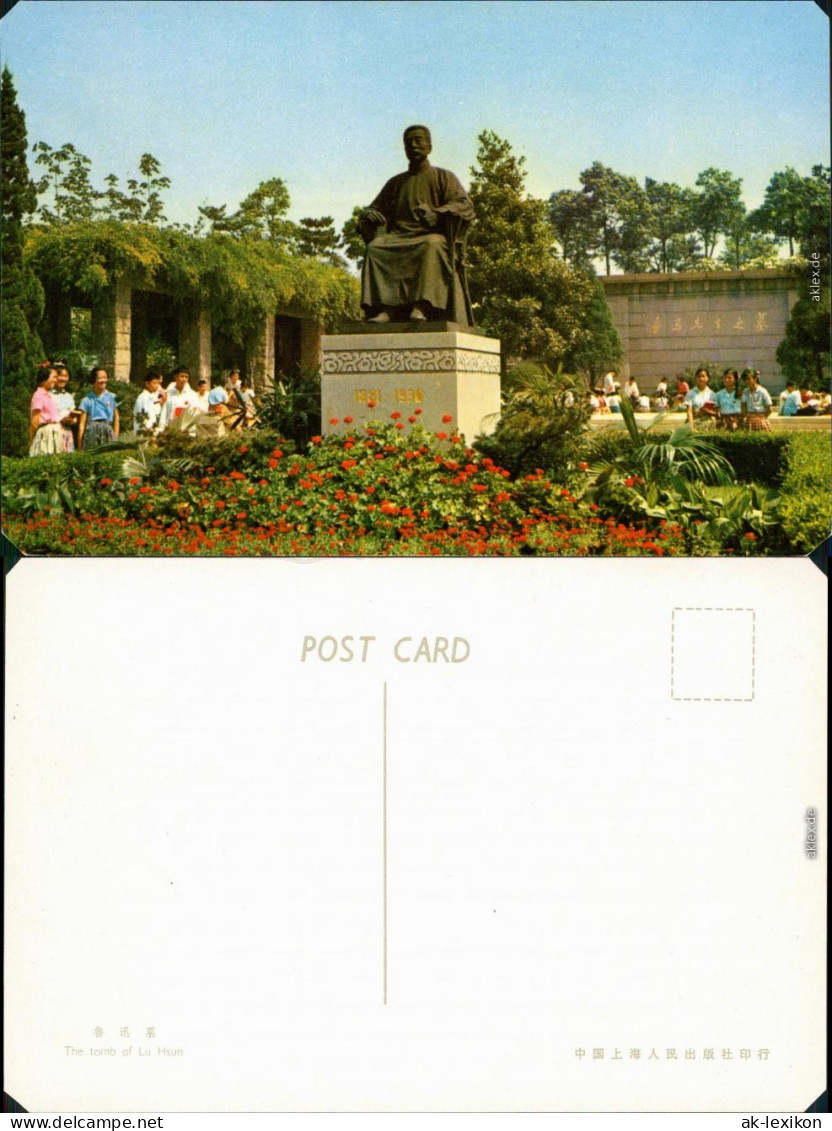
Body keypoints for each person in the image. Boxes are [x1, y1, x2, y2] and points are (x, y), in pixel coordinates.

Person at [359, 125, 475, 324]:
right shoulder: (396, 183)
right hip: (399, 237)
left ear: (429, 146)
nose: (413, 145)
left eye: (418, 140)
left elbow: (465, 205)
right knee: (375, 248)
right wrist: (369, 215)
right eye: (408, 142)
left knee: (431, 244)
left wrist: (437, 215)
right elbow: (374, 209)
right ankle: (386, 309)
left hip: (430, 236)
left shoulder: (443, 177)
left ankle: (421, 307)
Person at [78, 366, 119, 449]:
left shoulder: (113, 397)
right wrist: (79, 446)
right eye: (100, 378)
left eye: (105, 377)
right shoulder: (86, 400)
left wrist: (115, 438)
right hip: (92, 431)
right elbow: (82, 424)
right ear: (93, 380)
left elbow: (116, 420)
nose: (103, 381)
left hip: (108, 430)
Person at [28, 363, 63, 457]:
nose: (56, 380)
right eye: (54, 377)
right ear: (44, 377)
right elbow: (35, 421)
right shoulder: (39, 396)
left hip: (54, 432)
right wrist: (32, 440)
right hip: (46, 434)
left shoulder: (48, 395)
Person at [52, 364, 81, 451]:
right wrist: (61, 420)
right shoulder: (48, 395)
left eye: (66, 376)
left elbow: (73, 414)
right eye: (60, 375)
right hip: (53, 432)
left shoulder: (69, 396)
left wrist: (73, 420)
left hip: (68, 432)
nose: (63, 379)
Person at [133, 370, 166, 436]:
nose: (157, 386)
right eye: (154, 383)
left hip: (154, 432)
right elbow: (144, 418)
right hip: (145, 433)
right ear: (147, 384)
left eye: (158, 383)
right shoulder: (143, 398)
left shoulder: (153, 397)